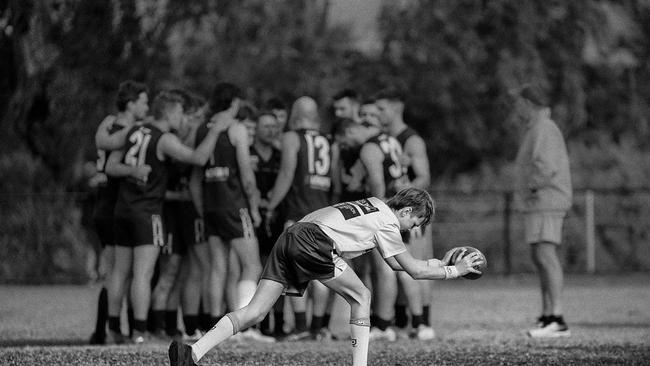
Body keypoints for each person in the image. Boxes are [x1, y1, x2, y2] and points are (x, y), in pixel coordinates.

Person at [168, 188, 484, 366]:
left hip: (292, 234)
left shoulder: (372, 203)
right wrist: (455, 270)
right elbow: (409, 269)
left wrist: (438, 262)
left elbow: (317, 222)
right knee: (362, 296)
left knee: (256, 311)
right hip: (314, 241)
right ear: (406, 211)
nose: (414, 229)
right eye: (417, 222)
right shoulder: (388, 222)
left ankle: (192, 351)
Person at [105, 90, 229, 344]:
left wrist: (132, 170)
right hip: (147, 212)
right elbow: (198, 158)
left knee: (120, 272)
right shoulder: (164, 139)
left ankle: (114, 329)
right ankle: (140, 331)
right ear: (171, 112)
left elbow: (110, 164)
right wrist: (216, 131)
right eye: (181, 112)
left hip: (122, 209)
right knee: (143, 273)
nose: (183, 118)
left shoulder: (133, 131)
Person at [188, 82, 267, 342]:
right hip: (234, 205)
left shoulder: (202, 131)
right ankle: (245, 324)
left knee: (217, 268)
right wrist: (254, 207)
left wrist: (202, 210)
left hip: (211, 206)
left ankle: (214, 326)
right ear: (233, 102)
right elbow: (246, 174)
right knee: (252, 264)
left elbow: (195, 178)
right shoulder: (236, 129)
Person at [263, 96, 334, 340]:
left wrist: (271, 205)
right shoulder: (328, 140)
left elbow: (286, 173)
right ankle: (318, 327)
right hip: (325, 213)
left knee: (295, 270)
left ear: (295, 115)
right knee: (323, 272)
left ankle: (301, 327)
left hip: (298, 213)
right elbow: (333, 181)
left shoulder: (292, 137)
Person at [89, 80, 149, 344]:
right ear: (131, 103)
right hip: (114, 205)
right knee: (118, 272)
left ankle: (106, 329)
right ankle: (110, 329)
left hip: (107, 204)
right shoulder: (130, 130)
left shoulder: (108, 122)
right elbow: (111, 144)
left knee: (115, 271)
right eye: (144, 102)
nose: (147, 107)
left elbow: (101, 138)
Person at [511, 84, 572, 338]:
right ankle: (547, 315)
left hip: (546, 201)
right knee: (540, 257)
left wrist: (529, 189)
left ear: (527, 103)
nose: (516, 108)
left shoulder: (545, 128)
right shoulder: (536, 128)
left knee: (546, 256)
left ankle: (557, 318)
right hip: (538, 203)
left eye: (518, 103)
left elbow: (547, 168)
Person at [375, 88, 435, 340]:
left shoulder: (411, 140)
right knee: (396, 266)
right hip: (395, 211)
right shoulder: (384, 139)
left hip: (410, 212)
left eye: (381, 109)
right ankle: (402, 321)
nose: (377, 114)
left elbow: (424, 177)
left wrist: (402, 193)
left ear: (396, 108)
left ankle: (423, 323)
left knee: (416, 263)